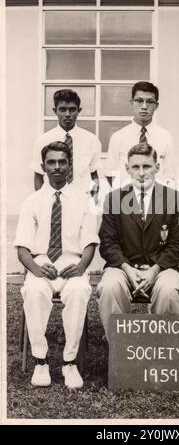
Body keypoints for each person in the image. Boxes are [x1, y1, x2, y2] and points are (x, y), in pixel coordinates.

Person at [14, 141, 98, 389]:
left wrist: (82, 267)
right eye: (51, 162)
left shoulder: (84, 200)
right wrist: (36, 269)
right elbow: (22, 248)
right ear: (43, 167)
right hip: (42, 262)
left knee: (79, 291)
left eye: (62, 161)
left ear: (70, 165)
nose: (57, 167)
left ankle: (69, 362)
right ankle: (40, 361)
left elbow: (90, 242)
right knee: (34, 291)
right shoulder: (32, 201)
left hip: (73, 263)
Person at [96, 143, 179, 341]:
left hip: (162, 268)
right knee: (109, 286)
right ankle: (119, 343)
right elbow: (107, 242)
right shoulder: (113, 199)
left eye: (146, 166)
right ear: (127, 169)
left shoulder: (176, 199)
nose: (141, 173)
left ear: (157, 167)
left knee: (169, 289)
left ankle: (163, 344)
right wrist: (128, 269)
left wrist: (155, 270)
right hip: (123, 267)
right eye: (135, 167)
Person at [31, 89, 102, 194]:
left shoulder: (91, 140)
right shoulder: (43, 141)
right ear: (55, 111)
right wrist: (43, 202)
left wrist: (93, 201)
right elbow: (38, 175)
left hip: (82, 199)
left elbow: (94, 174)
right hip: (55, 202)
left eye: (72, 109)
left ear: (79, 110)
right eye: (63, 109)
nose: (68, 114)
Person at [104, 81, 173, 187]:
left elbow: (169, 175)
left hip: (156, 199)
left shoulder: (165, 137)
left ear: (156, 106)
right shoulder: (118, 137)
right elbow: (110, 174)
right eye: (139, 101)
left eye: (149, 102)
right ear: (132, 102)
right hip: (126, 198)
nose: (144, 106)